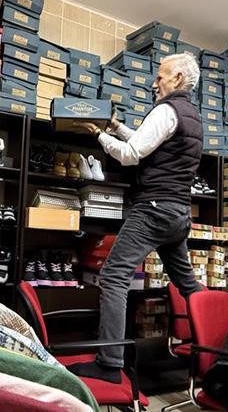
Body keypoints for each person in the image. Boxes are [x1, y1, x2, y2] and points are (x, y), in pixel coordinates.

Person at [68, 53, 204, 383]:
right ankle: (217, 346)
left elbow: (131, 155)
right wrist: (116, 127)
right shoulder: (191, 116)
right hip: (178, 213)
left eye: (161, 76)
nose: (154, 83)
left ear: (178, 79)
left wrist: (98, 136)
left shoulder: (166, 110)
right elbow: (146, 144)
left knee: (113, 276)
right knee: (189, 285)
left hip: (153, 209)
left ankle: (109, 364)